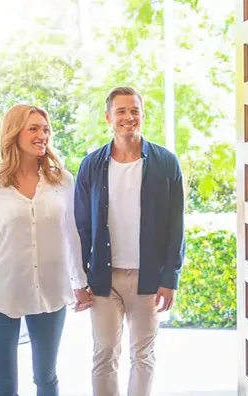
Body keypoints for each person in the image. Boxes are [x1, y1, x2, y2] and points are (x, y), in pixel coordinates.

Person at [0, 104, 93, 396]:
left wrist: (80, 282)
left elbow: (71, 233)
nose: (42, 135)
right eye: (33, 128)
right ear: (14, 134)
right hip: (0, 295)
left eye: (46, 129)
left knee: (46, 377)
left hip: (50, 293)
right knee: (5, 384)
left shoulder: (61, 180)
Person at [74, 86, 185, 396]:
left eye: (134, 110)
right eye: (121, 111)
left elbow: (177, 225)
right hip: (103, 277)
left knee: (143, 354)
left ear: (143, 115)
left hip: (148, 277)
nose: (128, 117)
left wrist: (170, 277)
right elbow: (80, 226)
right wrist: (79, 278)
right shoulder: (91, 165)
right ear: (108, 117)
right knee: (104, 352)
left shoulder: (165, 163)